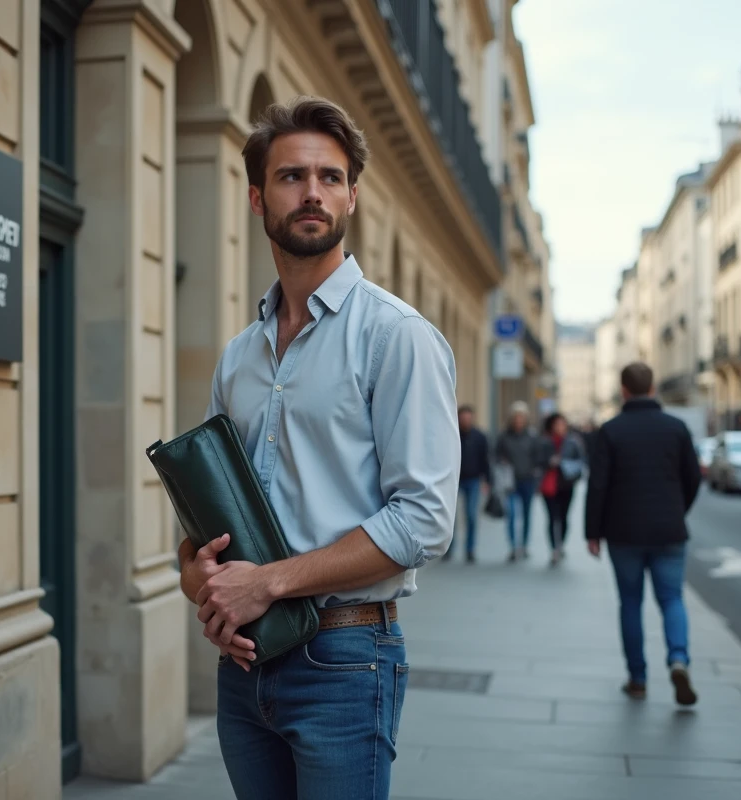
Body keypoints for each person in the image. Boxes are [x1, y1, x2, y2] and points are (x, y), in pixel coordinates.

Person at [176, 95, 461, 799]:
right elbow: (202, 511)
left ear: (353, 196)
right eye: (291, 177)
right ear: (255, 197)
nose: (312, 193)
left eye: (330, 178)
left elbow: (424, 519)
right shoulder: (241, 354)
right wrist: (201, 585)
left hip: (345, 656)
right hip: (244, 663)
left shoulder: (397, 337)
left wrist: (267, 582)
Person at [584, 362, 702, 706]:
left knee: (631, 603)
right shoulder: (676, 428)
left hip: (625, 532)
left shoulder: (611, 430)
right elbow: (693, 479)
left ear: (623, 390)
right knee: (672, 599)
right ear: (652, 389)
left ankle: (637, 678)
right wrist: (678, 510)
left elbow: (598, 485)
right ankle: (678, 658)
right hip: (669, 530)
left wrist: (593, 531)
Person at [537, 412, 585, 566]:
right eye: (556, 424)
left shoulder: (573, 442)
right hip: (549, 485)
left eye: (562, 424)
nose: (559, 427)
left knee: (564, 517)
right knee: (552, 518)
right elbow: (537, 461)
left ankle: (561, 543)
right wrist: (549, 462)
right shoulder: (544, 442)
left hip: (566, 484)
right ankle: (554, 549)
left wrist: (569, 468)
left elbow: (581, 461)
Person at [493, 401, 539, 562]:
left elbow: (537, 456)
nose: (518, 421)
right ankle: (513, 546)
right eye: (516, 418)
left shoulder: (532, 436)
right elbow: (496, 455)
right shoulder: (504, 436)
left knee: (526, 514)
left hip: (527, 480)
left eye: (521, 418)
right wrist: (502, 462)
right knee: (511, 514)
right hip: (510, 482)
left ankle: (524, 545)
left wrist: (535, 471)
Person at [445, 404, 491, 564]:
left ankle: (470, 549)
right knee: (451, 518)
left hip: (473, 480)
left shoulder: (479, 437)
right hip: (453, 481)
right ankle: (449, 549)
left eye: (468, 418)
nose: (465, 420)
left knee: (471, 516)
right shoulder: (451, 434)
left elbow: (486, 460)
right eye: (463, 418)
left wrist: (487, 481)